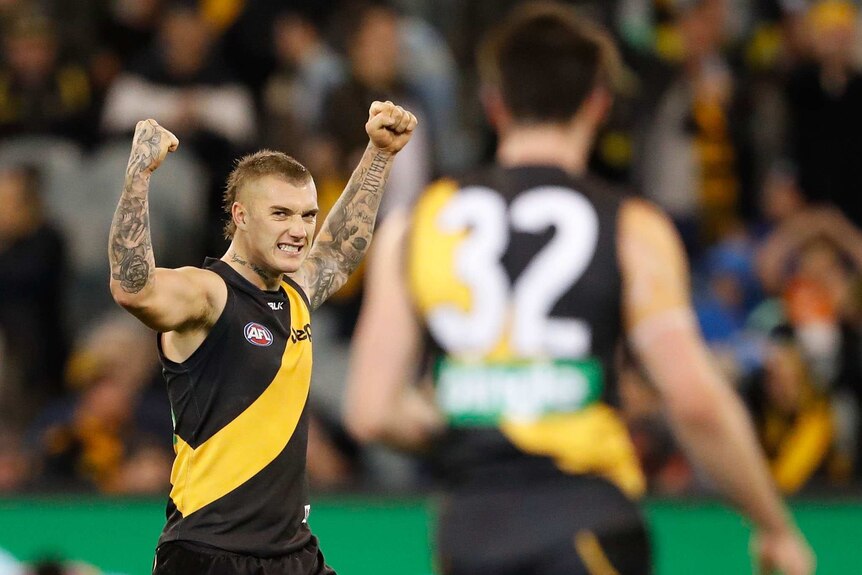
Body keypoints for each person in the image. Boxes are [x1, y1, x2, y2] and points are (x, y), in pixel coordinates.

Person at [343, 4, 813, 575]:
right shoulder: (632, 226)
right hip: (585, 518)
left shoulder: (416, 225)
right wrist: (774, 526)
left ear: (494, 105)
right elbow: (693, 399)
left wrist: (479, 416)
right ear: (599, 104)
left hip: (469, 529)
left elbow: (370, 411)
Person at [107, 100, 416, 575]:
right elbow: (134, 288)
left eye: (307, 215)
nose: (299, 230)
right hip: (209, 555)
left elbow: (338, 251)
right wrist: (140, 174)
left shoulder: (295, 292)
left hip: (294, 554)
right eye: (281, 214)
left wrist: (379, 154)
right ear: (241, 215)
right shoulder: (210, 294)